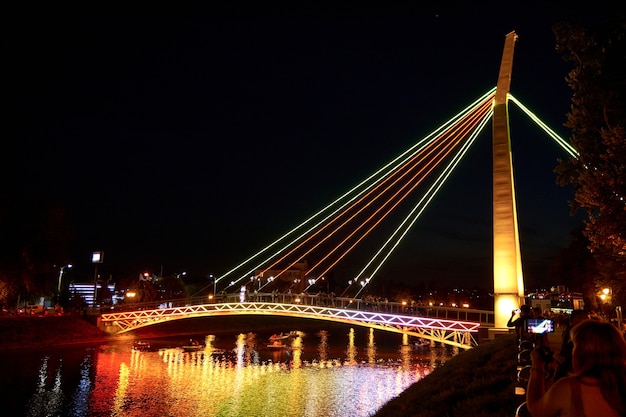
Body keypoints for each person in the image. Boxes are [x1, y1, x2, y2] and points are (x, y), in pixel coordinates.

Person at [526, 319, 626, 417]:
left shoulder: (569, 388)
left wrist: (537, 366)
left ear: (581, 352)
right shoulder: (620, 386)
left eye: (574, 346)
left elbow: (536, 410)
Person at [551, 309, 589, 382]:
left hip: (573, 366)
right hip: (570, 364)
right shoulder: (572, 332)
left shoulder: (579, 332)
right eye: (580, 318)